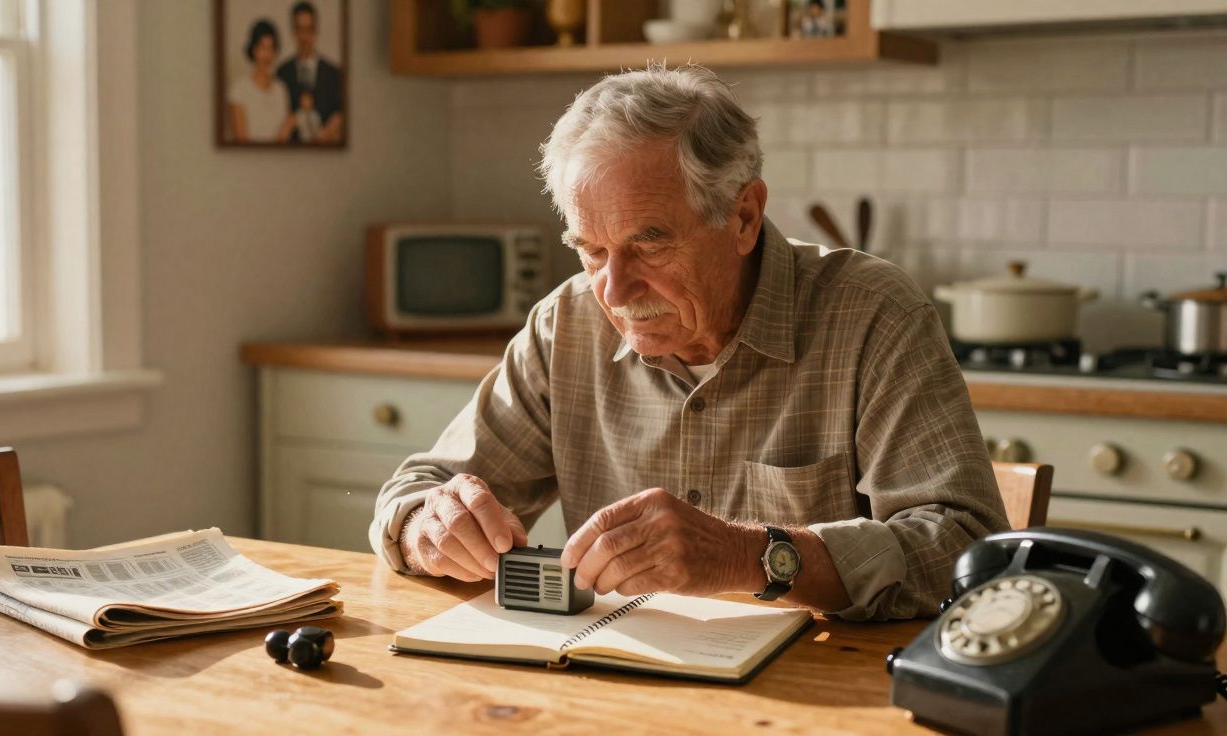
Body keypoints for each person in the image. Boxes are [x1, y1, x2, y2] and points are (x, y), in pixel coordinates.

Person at [368, 64, 1009, 621]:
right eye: (592, 251)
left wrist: (750, 556)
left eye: (649, 243)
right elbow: (420, 485)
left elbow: (967, 550)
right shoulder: (566, 324)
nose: (614, 291)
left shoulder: (872, 315)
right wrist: (428, 523)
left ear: (743, 217)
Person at [276, 1, 345, 144]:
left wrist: (329, 130)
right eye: (300, 30)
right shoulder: (282, 73)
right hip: (289, 156)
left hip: (327, 154)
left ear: (316, 30)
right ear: (293, 31)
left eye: (309, 29)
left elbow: (341, 112)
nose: (305, 37)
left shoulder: (334, 73)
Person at [228, 19, 294, 143]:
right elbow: (240, 141)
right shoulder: (239, 89)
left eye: (271, 48)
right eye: (262, 48)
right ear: (253, 50)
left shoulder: (281, 89)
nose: (267, 55)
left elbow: (286, 140)